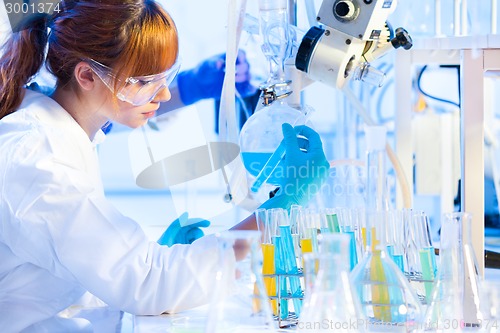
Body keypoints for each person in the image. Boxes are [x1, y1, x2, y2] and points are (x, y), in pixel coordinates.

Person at [0, 1, 330, 332]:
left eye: (166, 76)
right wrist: (279, 208)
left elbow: (79, 268)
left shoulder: (58, 125)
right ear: (86, 75)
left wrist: (153, 256)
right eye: (145, 80)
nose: (162, 94)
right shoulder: (38, 158)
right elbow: (148, 285)